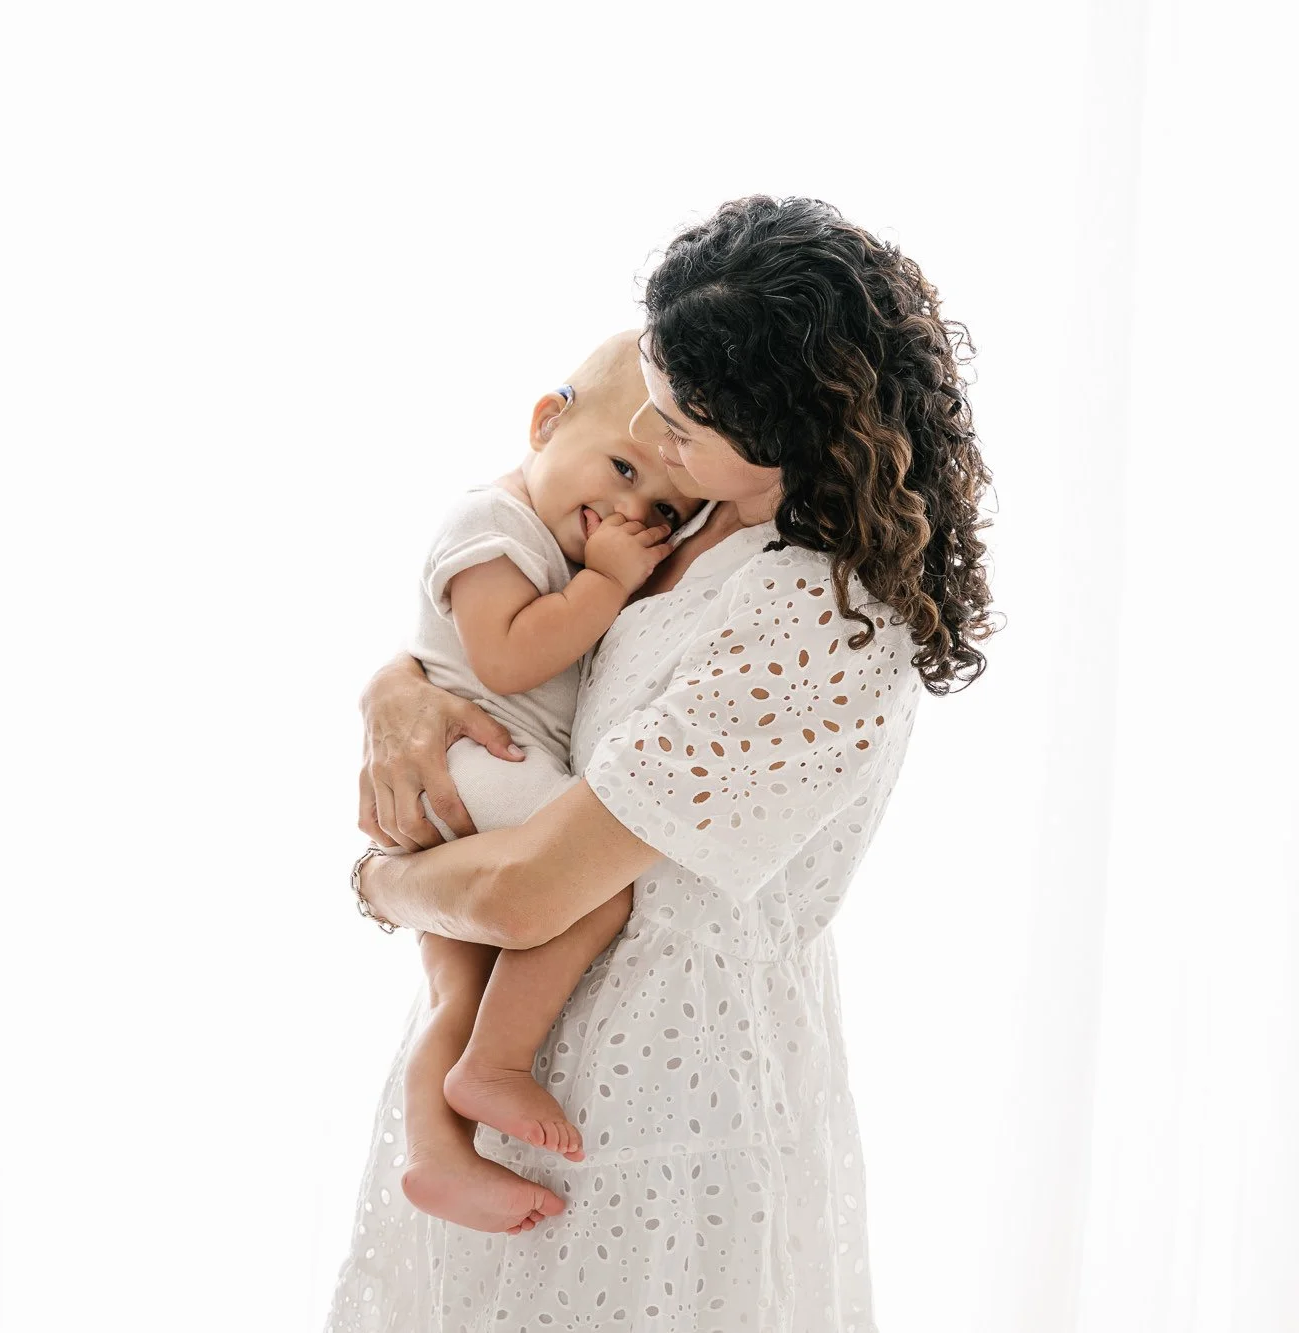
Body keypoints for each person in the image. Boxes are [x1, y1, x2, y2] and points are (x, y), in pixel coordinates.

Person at [326, 195, 995, 1333]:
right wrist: (393, 684)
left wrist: (374, 881)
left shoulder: (823, 619)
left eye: (682, 424)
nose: (656, 441)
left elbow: (529, 886)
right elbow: (507, 641)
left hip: (658, 1090)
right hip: (518, 1033)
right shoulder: (689, 518)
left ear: (784, 431)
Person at [380, 331, 707, 1237]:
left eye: (665, 507)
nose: (631, 505)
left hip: (474, 779)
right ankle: (496, 1065)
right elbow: (506, 656)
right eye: (623, 467)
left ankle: (437, 1154)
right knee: (592, 894)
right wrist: (606, 584)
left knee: (461, 983)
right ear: (544, 422)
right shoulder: (492, 524)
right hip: (477, 765)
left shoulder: (556, 543)